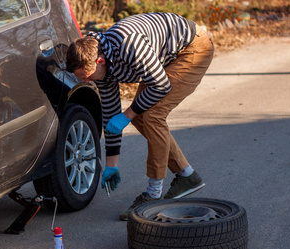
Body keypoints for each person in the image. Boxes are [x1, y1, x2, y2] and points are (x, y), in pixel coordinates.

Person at [66, 12, 214, 220]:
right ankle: (187, 176)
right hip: (163, 57)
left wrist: (127, 115)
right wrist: (111, 165)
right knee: (138, 114)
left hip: (192, 48)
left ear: (99, 60)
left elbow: (160, 86)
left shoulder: (128, 45)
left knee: (152, 115)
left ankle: (154, 193)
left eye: (87, 76)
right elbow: (111, 115)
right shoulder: (101, 69)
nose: (87, 82)